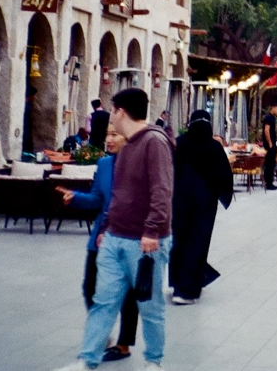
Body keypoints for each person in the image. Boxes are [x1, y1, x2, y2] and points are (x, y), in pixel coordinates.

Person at [55, 88, 174, 371]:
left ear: (120, 111)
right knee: (102, 302)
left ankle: (154, 361)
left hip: (144, 243)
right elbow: (119, 194)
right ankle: (88, 359)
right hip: (115, 238)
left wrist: (152, 231)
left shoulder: (154, 142)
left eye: (112, 113)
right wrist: (106, 227)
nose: (110, 122)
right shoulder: (128, 146)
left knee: (150, 307)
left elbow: (162, 190)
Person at [58, 124, 139, 363]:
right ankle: (102, 330)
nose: (109, 139)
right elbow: (97, 198)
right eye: (107, 135)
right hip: (100, 238)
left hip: (125, 235)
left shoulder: (138, 165)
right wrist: (76, 198)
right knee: (89, 286)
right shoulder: (104, 164)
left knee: (128, 293)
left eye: (115, 135)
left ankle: (124, 344)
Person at [170, 110, 233, 305]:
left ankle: (179, 282)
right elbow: (224, 175)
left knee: (179, 240)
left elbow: (168, 170)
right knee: (198, 241)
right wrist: (222, 194)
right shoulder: (214, 147)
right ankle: (187, 290)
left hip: (179, 201)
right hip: (204, 204)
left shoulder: (179, 144)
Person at [261, 105, 277, 191]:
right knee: (269, 164)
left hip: (272, 144)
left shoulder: (272, 118)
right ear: (272, 108)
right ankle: (268, 183)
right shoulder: (269, 118)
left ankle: (269, 182)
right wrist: (270, 143)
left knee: (271, 163)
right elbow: (266, 130)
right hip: (270, 145)